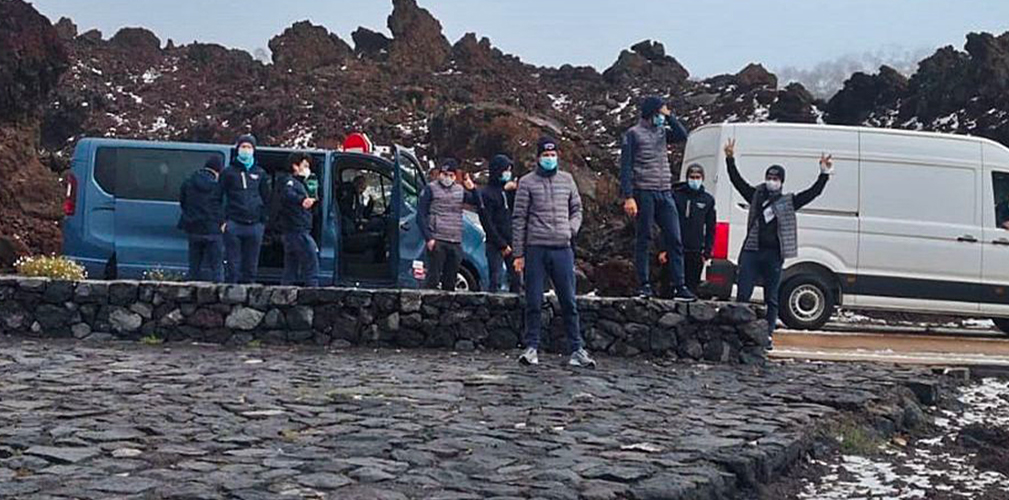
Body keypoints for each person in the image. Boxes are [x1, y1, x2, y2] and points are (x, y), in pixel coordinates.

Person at [724, 138, 834, 343]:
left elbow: (812, 193)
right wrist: (730, 159)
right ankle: (738, 332)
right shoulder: (755, 196)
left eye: (775, 178)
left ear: (782, 181)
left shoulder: (788, 201)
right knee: (743, 294)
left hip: (774, 253)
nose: (771, 180)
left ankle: (767, 334)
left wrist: (824, 174)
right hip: (752, 250)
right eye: (769, 177)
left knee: (771, 297)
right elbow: (737, 181)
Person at [513, 137, 595, 368]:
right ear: (538, 157)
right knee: (533, 300)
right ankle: (531, 347)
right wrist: (518, 254)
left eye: (552, 154)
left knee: (569, 300)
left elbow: (577, 209)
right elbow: (519, 218)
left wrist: (571, 229)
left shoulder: (567, 180)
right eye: (545, 155)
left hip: (562, 248)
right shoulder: (527, 182)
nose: (549, 158)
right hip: (536, 248)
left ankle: (577, 349)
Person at [620, 95, 696, 301]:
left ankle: (679, 285)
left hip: (665, 191)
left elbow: (682, 135)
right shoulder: (633, 134)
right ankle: (643, 285)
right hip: (644, 191)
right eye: (660, 112)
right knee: (644, 238)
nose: (662, 116)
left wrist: (669, 116)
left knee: (675, 239)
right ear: (650, 113)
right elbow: (625, 167)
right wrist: (628, 196)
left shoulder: (662, 132)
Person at [417, 159, 479, 291]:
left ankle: (448, 304)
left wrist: (472, 189)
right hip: (437, 240)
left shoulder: (460, 190)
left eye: (451, 175)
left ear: (455, 176)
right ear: (439, 174)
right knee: (433, 279)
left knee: (450, 281)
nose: (447, 178)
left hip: (455, 241)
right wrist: (429, 238)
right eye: (445, 174)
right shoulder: (430, 189)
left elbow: (477, 202)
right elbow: (420, 215)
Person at [221, 134, 271, 284]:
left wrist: (263, 221)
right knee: (233, 266)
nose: (246, 150)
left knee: (251, 266)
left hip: (255, 225)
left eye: (249, 147)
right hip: (234, 223)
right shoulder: (228, 172)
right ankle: (231, 293)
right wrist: (222, 221)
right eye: (243, 146)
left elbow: (267, 198)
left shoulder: (260, 173)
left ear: (254, 150)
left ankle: (250, 294)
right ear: (238, 149)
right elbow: (218, 197)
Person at [177, 155, 225, 282]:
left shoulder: (188, 182)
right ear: (218, 171)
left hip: (193, 228)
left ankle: (189, 292)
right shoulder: (218, 186)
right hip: (213, 229)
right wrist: (222, 222)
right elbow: (223, 206)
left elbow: (183, 203)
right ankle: (219, 291)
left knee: (194, 268)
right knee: (216, 268)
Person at [478, 154, 521, 293]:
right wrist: (501, 244)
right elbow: (487, 222)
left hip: (511, 240)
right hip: (495, 243)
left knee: (517, 279)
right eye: (505, 170)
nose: (508, 173)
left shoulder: (508, 192)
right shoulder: (487, 193)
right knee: (495, 279)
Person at [277, 152, 320, 287]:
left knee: (291, 268)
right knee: (311, 264)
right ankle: (313, 293)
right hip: (297, 231)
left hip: (297, 230)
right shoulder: (289, 182)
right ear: (295, 166)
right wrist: (302, 200)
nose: (308, 169)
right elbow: (288, 195)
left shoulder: (302, 184)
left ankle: (284, 294)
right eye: (305, 165)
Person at [673, 164, 717, 294]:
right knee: (670, 286)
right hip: (676, 248)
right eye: (692, 177)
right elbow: (666, 224)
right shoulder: (676, 196)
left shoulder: (708, 200)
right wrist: (664, 248)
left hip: (696, 250)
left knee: (692, 288)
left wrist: (707, 251)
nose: (695, 180)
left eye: (698, 177)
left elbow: (711, 228)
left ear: (702, 178)